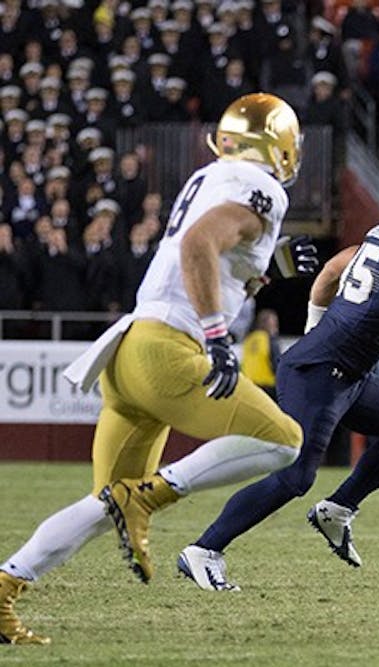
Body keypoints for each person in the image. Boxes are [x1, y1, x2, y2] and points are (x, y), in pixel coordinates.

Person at [0, 94, 316, 643]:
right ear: (279, 145)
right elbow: (199, 244)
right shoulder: (261, 187)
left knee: (105, 507)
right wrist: (218, 336)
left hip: (129, 351)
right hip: (168, 349)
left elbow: (219, 261)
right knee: (285, 441)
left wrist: (269, 269)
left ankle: (5, 587)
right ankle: (150, 494)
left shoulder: (211, 176)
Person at [177, 169, 379, 590]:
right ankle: (204, 550)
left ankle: (338, 510)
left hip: (344, 371)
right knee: (294, 476)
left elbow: (331, 274)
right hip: (320, 373)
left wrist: (315, 329)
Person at [241, 308, 281, 399]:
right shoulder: (269, 339)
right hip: (268, 385)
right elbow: (276, 363)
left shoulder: (248, 339)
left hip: (249, 385)